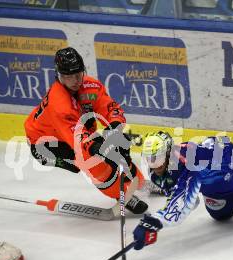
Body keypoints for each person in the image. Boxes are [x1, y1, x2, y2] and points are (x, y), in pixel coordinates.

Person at [24, 47, 147, 214]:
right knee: (92, 162)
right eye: (69, 76)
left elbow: (111, 109)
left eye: (78, 74)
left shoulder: (90, 86)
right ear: (59, 76)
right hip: (45, 145)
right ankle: (124, 194)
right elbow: (79, 140)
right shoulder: (59, 105)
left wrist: (113, 130)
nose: (76, 80)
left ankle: (140, 182)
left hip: (72, 133)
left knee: (114, 151)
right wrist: (102, 149)